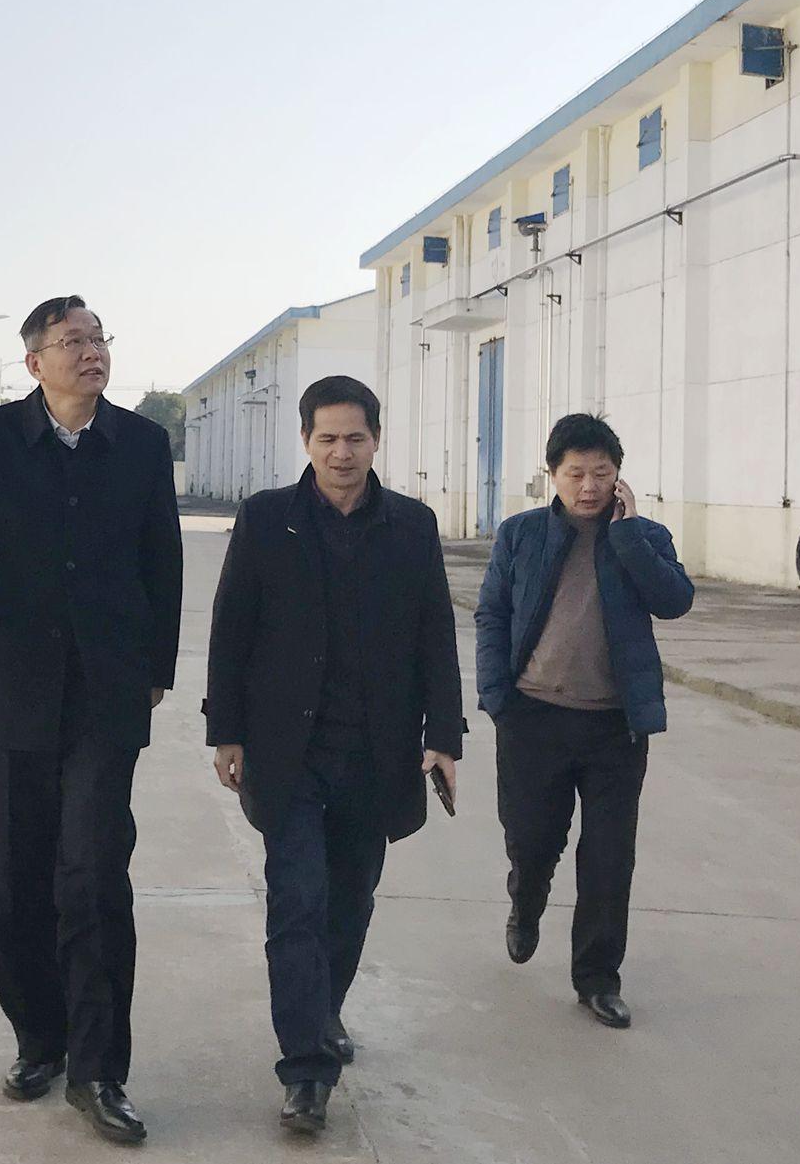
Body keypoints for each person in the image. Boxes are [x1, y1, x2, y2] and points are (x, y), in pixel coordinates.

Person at [0, 295, 182, 1145]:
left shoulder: (141, 443)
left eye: (98, 337)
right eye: (72, 340)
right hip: (13, 689)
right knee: (20, 871)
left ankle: (101, 1068)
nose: (90, 351)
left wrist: (155, 669)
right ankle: (39, 1039)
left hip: (107, 694)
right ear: (35, 362)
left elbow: (163, 559)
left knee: (95, 871)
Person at [202, 375, 463, 1134]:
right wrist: (226, 731)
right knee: (297, 902)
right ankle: (307, 1069)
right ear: (305, 441)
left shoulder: (411, 525)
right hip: (290, 752)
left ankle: (323, 1010)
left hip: (377, 753)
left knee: (350, 901)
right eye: (327, 438)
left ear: (376, 440)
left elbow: (435, 635)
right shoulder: (266, 518)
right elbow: (231, 628)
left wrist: (443, 737)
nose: (341, 452)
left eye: (355, 438)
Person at [474, 413, 693, 1030]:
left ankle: (597, 979)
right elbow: (492, 614)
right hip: (533, 719)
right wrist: (497, 697)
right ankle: (527, 899)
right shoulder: (520, 534)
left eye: (602, 473)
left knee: (608, 859)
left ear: (619, 477)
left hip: (615, 727)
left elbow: (674, 601)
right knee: (532, 839)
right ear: (553, 475)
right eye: (576, 473)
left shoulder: (646, 536)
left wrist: (627, 537)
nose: (589, 486)